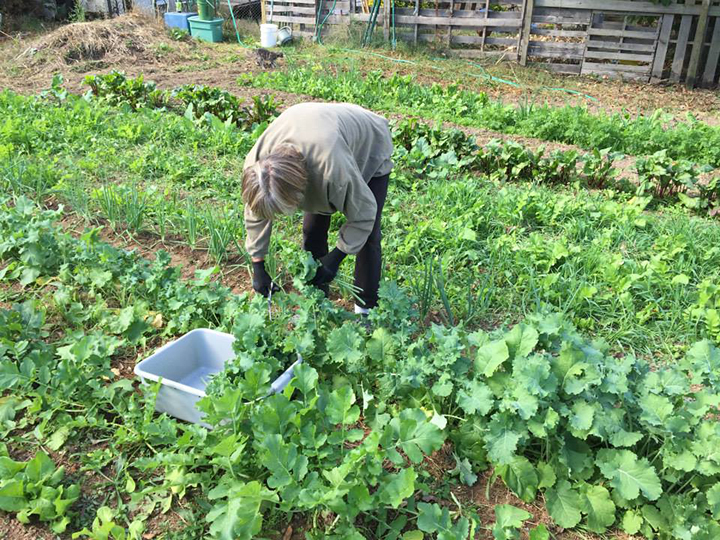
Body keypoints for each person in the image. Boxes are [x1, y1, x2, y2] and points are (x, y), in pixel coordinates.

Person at [242, 102, 393, 314]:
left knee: (368, 238)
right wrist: (258, 263)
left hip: (368, 140)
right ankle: (317, 301)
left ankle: (365, 310)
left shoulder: (333, 172)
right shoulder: (257, 168)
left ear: (298, 188)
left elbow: (364, 215)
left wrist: (337, 256)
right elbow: (256, 210)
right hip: (317, 132)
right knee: (312, 231)